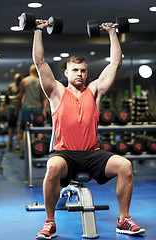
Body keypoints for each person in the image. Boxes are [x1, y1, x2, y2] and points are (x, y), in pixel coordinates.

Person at [32, 19, 145, 239]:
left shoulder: (94, 91)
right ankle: (50, 222)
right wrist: (38, 30)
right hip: (64, 153)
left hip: (92, 153)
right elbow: (39, 61)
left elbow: (114, 64)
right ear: (66, 73)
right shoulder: (56, 92)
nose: (80, 74)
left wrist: (113, 32)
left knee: (125, 166)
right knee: (52, 167)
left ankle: (123, 219)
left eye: (83, 70)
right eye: (75, 70)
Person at [17, 64, 48, 158]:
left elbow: (20, 95)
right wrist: (44, 110)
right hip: (38, 107)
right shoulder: (40, 82)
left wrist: (19, 106)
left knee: (25, 131)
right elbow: (44, 98)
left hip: (27, 108)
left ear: (30, 71)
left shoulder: (25, 81)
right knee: (39, 131)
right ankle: (40, 152)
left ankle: (25, 153)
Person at [6, 73, 22, 151]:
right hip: (12, 108)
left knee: (19, 128)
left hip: (20, 109)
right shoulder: (11, 87)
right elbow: (7, 99)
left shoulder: (22, 86)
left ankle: (18, 145)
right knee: (11, 127)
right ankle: (10, 143)